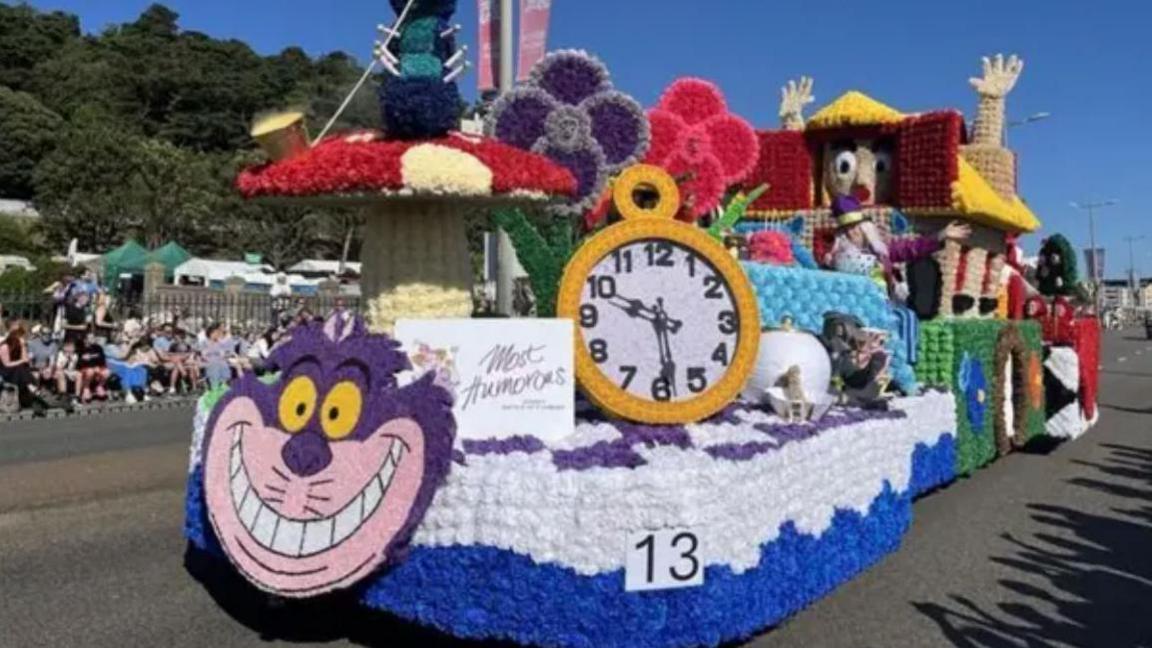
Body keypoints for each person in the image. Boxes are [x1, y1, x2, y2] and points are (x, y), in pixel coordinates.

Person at [825, 195, 970, 299]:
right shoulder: (833, 256)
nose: (851, 232)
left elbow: (911, 248)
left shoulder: (881, 251)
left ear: (865, 228)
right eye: (846, 229)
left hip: (883, 306)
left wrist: (940, 235)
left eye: (855, 227)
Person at [0, 321, 48, 414]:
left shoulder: (20, 346)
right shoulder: (4, 346)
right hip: (5, 371)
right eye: (20, 337)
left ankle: (31, 394)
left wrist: (22, 346)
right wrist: (21, 361)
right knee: (20, 367)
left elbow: (26, 360)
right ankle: (33, 391)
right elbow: (6, 364)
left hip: (17, 372)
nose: (23, 339)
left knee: (23, 368)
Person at [76, 333, 110, 403]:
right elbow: (80, 363)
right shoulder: (81, 348)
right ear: (86, 340)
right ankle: (86, 388)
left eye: (93, 338)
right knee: (90, 371)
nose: (92, 339)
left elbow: (102, 360)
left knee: (107, 372)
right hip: (85, 369)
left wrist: (98, 367)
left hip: (97, 367)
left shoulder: (98, 348)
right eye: (90, 338)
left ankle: (99, 386)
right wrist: (92, 367)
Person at [200, 323, 235, 389]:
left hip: (219, 359)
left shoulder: (219, 342)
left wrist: (222, 355)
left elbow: (223, 354)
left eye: (218, 333)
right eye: (216, 333)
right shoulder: (204, 342)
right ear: (211, 333)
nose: (217, 335)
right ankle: (214, 385)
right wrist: (211, 345)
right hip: (208, 360)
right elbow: (203, 354)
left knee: (222, 364)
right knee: (214, 365)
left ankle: (223, 384)